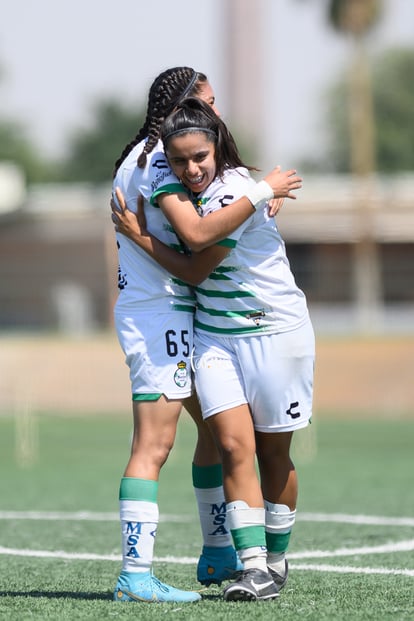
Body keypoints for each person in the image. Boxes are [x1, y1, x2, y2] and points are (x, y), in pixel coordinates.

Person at [111, 66, 303, 604]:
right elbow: (197, 236)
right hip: (162, 312)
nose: (214, 113)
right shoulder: (156, 163)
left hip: (183, 311)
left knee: (220, 436)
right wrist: (259, 193)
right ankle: (135, 573)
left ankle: (220, 549)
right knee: (155, 442)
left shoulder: (154, 155)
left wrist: (254, 195)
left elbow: (219, 192)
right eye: (208, 102)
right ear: (181, 110)